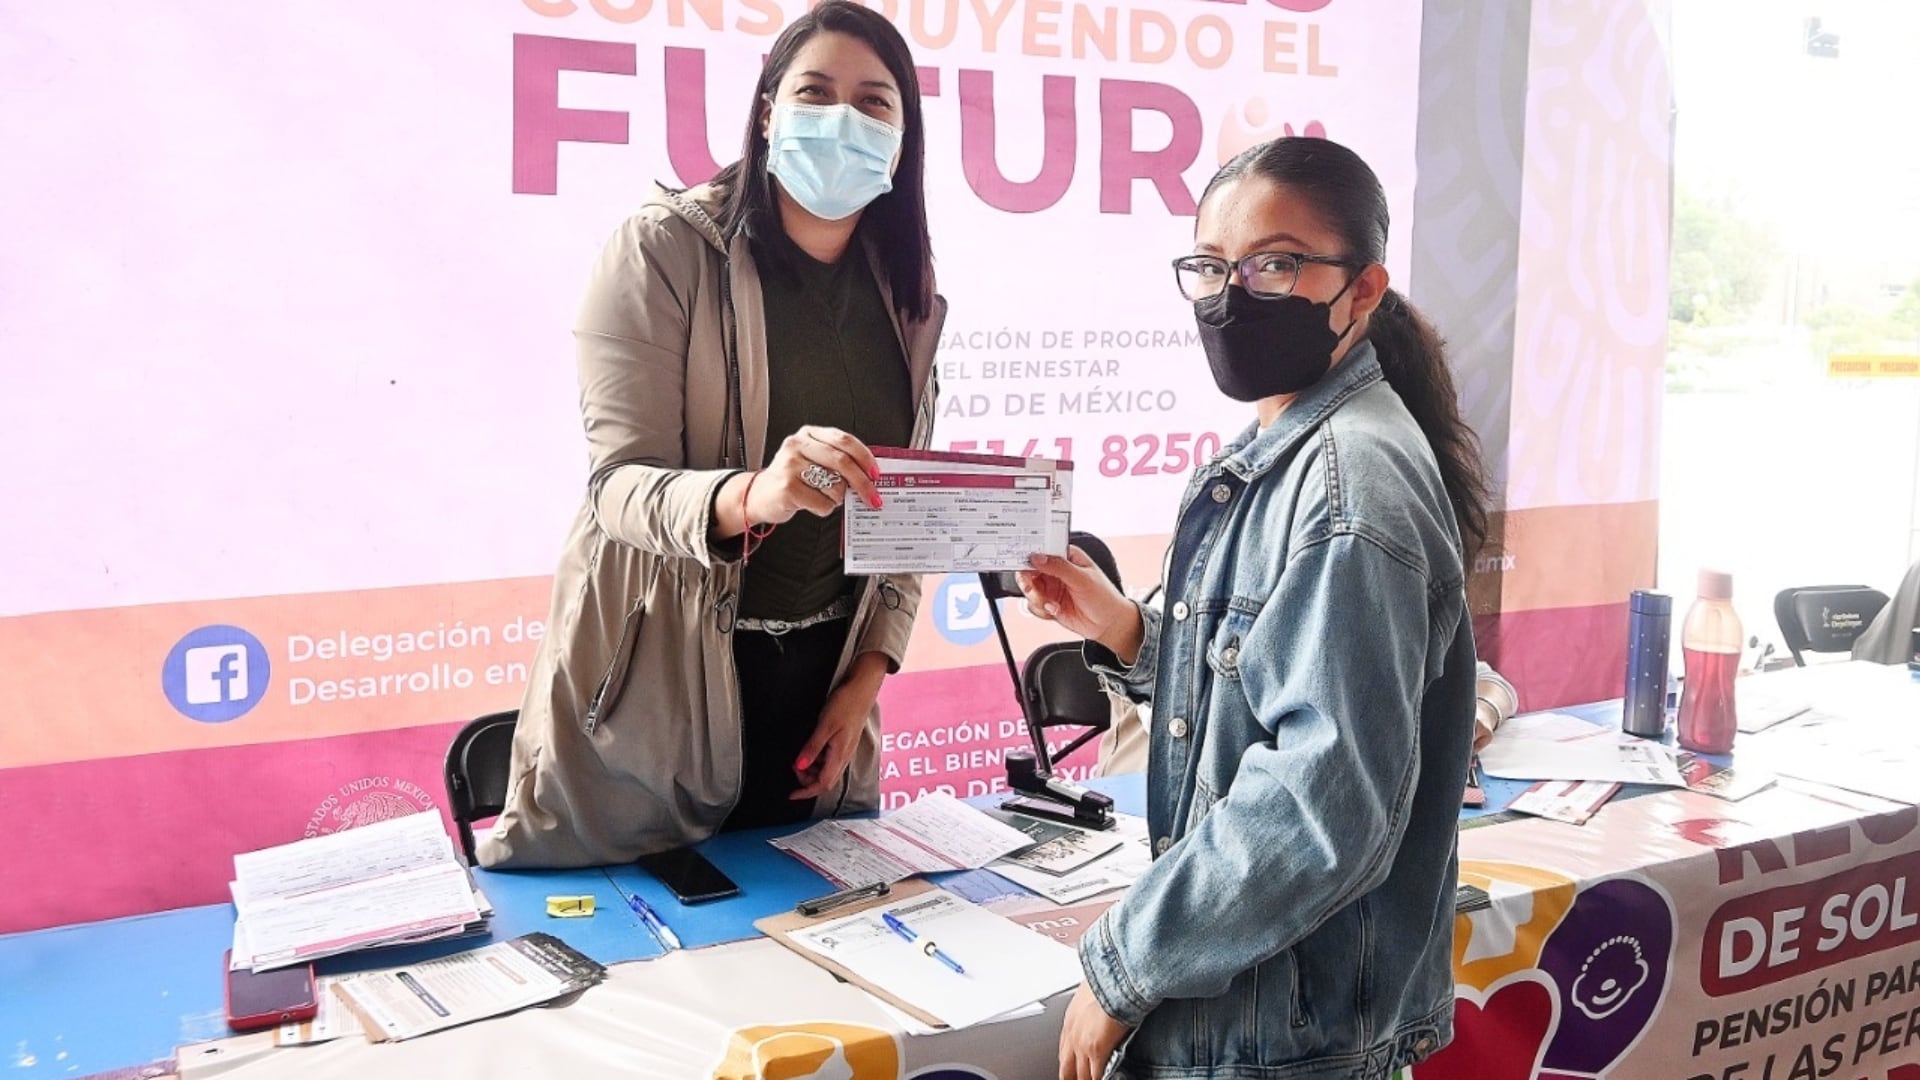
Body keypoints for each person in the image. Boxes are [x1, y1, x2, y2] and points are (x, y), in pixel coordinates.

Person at [1021, 137, 1491, 1080]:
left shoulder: (1347, 483)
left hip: (1283, 1042)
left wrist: (1122, 967)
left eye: (1276, 263)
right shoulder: (1292, 449)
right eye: (1210, 267)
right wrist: (1125, 630)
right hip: (1267, 1019)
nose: (1232, 295)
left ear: (1361, 291)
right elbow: (1267, 682)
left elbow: (1322, 804)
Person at [479, 2, 943, 869]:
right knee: (650, 974)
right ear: (768, 109)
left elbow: (898, 509)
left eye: (876, 103)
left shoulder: (905, 292)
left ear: (906, 134)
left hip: (825, 689)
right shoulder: (660, 251)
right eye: (815, 91)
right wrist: (751, 494)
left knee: (825, 967)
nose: (845, 118)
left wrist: (866, 677)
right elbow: (617, 487)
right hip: (662, 681)